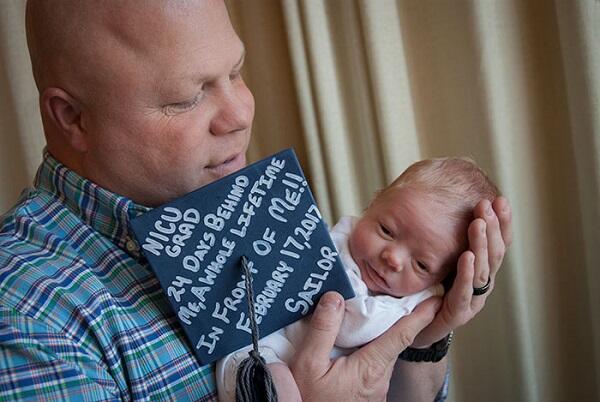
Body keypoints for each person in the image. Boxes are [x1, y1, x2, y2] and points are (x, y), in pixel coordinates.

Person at [0, 0, 512, 400]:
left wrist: (425, 337)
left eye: (237, 72)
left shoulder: (288, 218)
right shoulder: (29, 316)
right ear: (72, 117)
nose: (240, 114)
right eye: (187, 97)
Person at [217, 157, 499, 401]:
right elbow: (349, 326)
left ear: (441, 278)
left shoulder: (424, 299)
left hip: (342, 386)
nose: (393, 258)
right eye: (387, 230)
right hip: (263, 353)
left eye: (422, 264)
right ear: (372, 203)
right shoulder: (337, 241)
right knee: (277, 384)